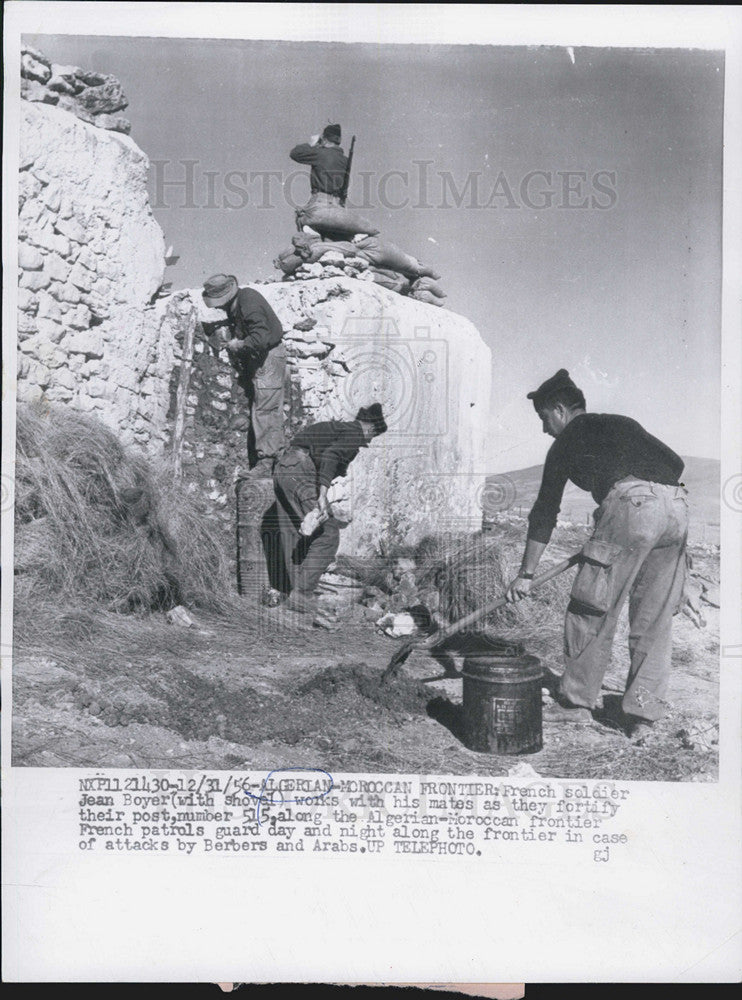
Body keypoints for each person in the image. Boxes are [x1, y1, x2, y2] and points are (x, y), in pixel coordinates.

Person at [504, 369, 689, 739]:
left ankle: (575, 704)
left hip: (633, 504)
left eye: (544, 419)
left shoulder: (567, 440)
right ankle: (643, 718)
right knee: (654, 618)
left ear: (559, 409)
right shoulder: (623, 423)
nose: (545, 429)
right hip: (678, 507)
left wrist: (525, 573)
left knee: (591, 607)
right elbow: (675, 462)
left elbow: (545, 511)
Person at [273, 404, 387, 615]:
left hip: (283, 469)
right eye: (373, 436)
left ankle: (292, 594)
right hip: (299, 471)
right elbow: (331, 456)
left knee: (296, 532)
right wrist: (323, 495)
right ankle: (301, 595)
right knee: (328, 535)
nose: (370, 440)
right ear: (370, 427)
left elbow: (322, 454)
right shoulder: (354, 433)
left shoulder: (337, 429)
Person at [202, 274, 286, 477]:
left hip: (269, 358)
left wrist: (238, 344)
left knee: (265, 409)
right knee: (264, 407)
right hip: (264, 358)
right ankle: (273, 460)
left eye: (219, 304)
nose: (218, 308)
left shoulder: (248, 301)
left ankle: (267, 463)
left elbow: (260, 337)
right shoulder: (239, 303)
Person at [289, 123, 348, 223]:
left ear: (324, 139)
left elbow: (294, 153)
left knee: (302, 220)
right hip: (337, 205)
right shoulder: (345, 160)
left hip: (320, 202)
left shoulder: (320, 153)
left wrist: (312, 144)